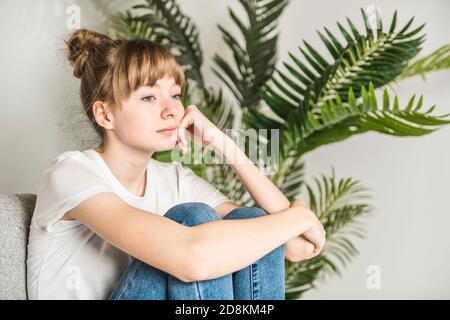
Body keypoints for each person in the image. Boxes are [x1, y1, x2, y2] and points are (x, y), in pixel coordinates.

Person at [26, 29, 326, 300]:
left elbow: (297, 246)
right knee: (193, 217)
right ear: (106, 115)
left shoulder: (175, 180)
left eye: (175, 94)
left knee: (251, 219)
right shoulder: (69, 174)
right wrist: (299, 215)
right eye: (148, 98)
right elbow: (193, 259)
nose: (171, 110)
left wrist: (224, 144)